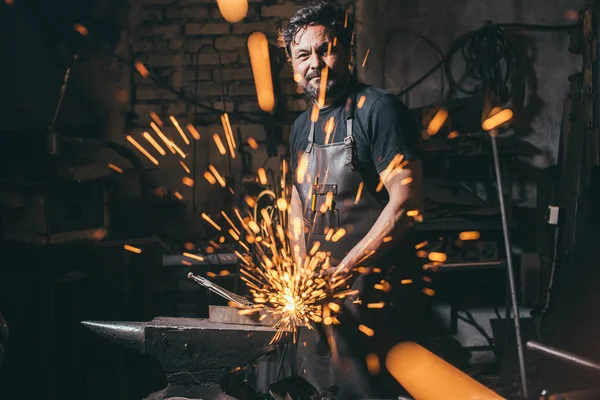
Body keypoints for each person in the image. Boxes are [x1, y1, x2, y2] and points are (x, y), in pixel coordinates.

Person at [279, 1, 428, 398]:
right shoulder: (300, 127)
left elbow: (406, 204)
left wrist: (345, 270)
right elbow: (297, 204)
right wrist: (299, 272)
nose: (315, 62)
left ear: (346, 49)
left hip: (373, 301)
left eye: (326, 48)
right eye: (303, 55)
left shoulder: (379, 111)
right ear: (293, 65)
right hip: (319, 305)